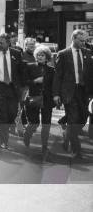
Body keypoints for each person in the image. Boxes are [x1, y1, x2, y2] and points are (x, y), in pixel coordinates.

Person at [53, 29, 91, 160]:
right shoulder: (63, 54)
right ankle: (77, 150)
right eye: (81, 41)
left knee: (83, 118)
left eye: (85, 41)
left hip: (84, 92)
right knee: (74, 120)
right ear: (73, 39)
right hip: (69, 91)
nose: (83, 43)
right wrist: (56, 94)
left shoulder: (87, 53)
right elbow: (58, 76)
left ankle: (66, 132)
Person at [0, 33, 23, 149]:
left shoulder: (16, 54)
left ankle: (6, 128)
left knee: (12, 113)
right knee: (2, 115)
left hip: (12, 88)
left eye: (1, 43)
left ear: (8, 43)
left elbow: (20, 71)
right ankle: (4, 140)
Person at [23, 45, 55, 160]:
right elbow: (24, 81)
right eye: (38, 55)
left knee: (46, 124)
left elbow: (54, 85)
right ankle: (27, 135)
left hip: (47, 100)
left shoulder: (51, 70)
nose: (40, 57)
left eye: (43, 55)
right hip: (33, 98)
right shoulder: (30, 67)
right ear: (36, 56)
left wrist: (56, 97)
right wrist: (35, 81)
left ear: (47, 57)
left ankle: (44, 147)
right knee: (34, 123)